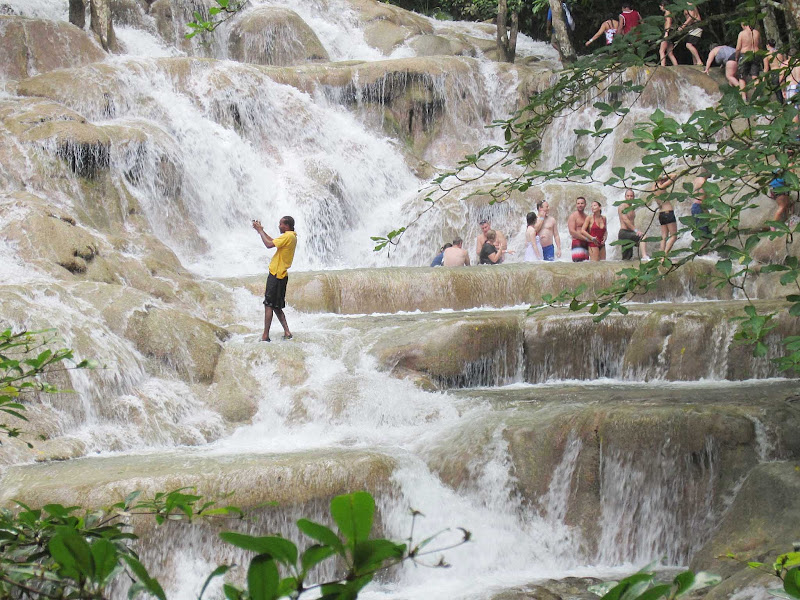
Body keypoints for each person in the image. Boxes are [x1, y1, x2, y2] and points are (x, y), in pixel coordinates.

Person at [253, 216, 297, 342]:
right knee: (276, 306)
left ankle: (265, 336)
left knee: (268, 304)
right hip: (282, 275)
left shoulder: (287, 236)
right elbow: (273, 241)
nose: (279, 226)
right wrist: (260, 230)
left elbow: (268, 244)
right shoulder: (291, 236)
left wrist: (260, 231)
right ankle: (287, 332)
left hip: (276, 275)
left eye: (281, 224)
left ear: (287, 226)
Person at [617, 188, 649, 260]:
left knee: (627, 258)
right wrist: (636, 230)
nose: (629, 197)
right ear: (625, 197)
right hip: (624, 233)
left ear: (634, 197)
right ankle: (644, 256)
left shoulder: (632, 208)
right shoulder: (622, 206)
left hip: (629, 232)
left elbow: (631, 222)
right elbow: (625, 220)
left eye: (631, 196)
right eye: (628, 196)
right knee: (643, 237)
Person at [736, 22, 763, 99]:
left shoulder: (742, 34)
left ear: (743, 25)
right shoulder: (757, 33)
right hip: (755, 54)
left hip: (745, 54)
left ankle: (744, 97)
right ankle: (758, 97)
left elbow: (738, 48)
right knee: (755, 76)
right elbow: (760, 45)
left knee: (742, 77)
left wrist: (736, 57)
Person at [654, 173, 678, 254]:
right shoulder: (661, 187)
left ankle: (661, 255)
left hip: (661, 214)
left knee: (664, 236)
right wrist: (665, 176)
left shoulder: (653, 187)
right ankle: (665, 254)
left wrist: (662, 179)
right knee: (674, 236)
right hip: (668, 212)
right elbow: (674, 176)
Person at [567, 196, 591, 262]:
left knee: (586, 264)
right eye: (578, 203)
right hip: (577, 242)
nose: (580, 205)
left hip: (586, 243)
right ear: (576, 205)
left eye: (582, 203)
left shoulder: (587, 217)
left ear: (585, 205)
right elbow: (572, 232)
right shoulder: (573, 216)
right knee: (578, 265)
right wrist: (585, 238)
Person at [764, 39, 786, 103]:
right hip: (782, 70)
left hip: (774, 73)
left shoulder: (767, 55)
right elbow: (785, 62)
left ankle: (781, 105)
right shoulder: (780, 53)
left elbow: (766, 68)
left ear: (768, 45)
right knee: (784, 88)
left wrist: (763, 78)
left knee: (777, 91)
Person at [691, 169, 711, 239]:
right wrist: (707, 213)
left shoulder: (697, 179)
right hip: (700, 207)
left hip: (694, 206)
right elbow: (702, 201)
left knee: (700, 233)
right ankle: (703, 248)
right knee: (705, 235)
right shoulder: (704, 183)